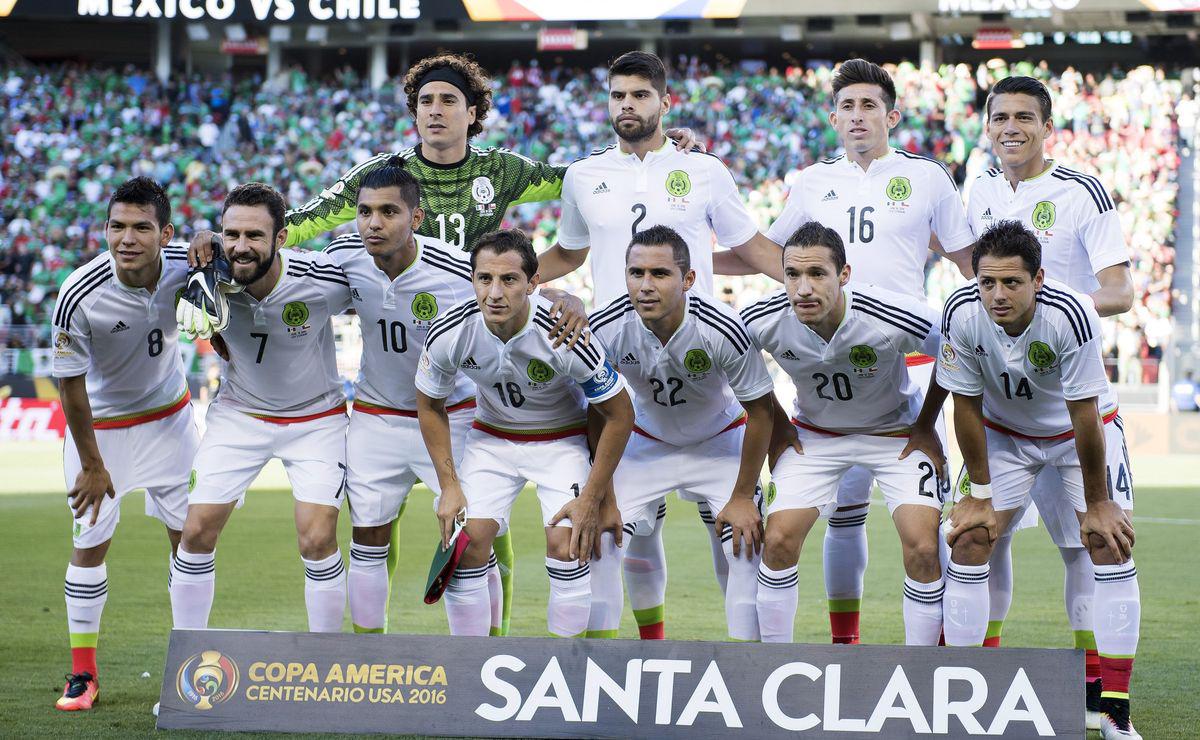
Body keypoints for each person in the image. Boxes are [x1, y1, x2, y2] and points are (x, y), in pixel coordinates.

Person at [535, 50, 784, 640]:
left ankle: (753, 667)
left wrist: (811, 285)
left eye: (640, 95)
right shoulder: (583, 175)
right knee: (618, 535)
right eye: (618, 95)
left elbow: (751, 246)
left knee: (739, 541)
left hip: (702, 366)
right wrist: (511, 281)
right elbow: (568, 253)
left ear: (665, 103)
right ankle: (646, 655)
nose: (628, 105)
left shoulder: (705, 170)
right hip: (617, 361)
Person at [763, 59, 975, 644]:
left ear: (892, 115)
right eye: (847, 107)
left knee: (926, 533)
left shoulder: (927, 177)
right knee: (844, 516)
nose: (858, 116)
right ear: (833, 117)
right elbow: (766, 254)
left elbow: (966, 259)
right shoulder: (812, 181)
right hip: (830, 363)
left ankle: (936, 655)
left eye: (869, 106)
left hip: (909, 365)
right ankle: (845, 644)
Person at [964, 74, 1136, 728]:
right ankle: (972, 683)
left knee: (1088, 546)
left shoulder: (1081, 190)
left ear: (1047, 127)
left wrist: (1052, 310)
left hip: (1069, 404)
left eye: (1024, 118)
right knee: (981, 541)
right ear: (987, 125)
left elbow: (1120, 291)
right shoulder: (977, 184)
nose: (1011, 128)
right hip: (1000, 410)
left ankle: (1098, 695)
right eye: (1000, 117)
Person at [938, 220, 1141, 740]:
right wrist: (980, 495)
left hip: (1078, 434)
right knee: (969, 538)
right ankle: (959, 697)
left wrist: (1099, 502)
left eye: (1012, 282)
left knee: (1108, 543)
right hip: (1004, 434)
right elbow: (965, 405)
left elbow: (1084, 413)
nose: (997, 295)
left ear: (1039, 279)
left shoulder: (1070, 314)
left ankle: (1114, 711)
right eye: (987, 282)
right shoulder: (960, 312)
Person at [415, 229, 634, 637]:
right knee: (465, 547)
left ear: (533, 283)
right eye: (485, 279)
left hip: (561, 441)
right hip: (490, 441)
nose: (495, 293)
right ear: (473, 279)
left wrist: (595, 498)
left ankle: (563, 663)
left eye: (509, 280)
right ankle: (471, 663)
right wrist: (449, 486)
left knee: (568, 546)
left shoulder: (564, 332)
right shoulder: (450, 329)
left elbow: (620, 414)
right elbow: (430, 405)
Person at [741, 221, 947, 645]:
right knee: (777, 541)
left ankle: (923, 670)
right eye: (792, 275)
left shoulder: (891, 312)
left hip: (895, 435)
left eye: (817, 274)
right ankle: (776, 665)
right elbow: (738, 366)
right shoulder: (760, 318)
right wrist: (778, 423)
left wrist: (927, 423)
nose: (803, 288)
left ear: (844, 275)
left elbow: (956, 349)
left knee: (924, 548)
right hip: (816, 437)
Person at [172, 183, 352, 633]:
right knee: (195, 532)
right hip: (240, 415)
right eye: (231, 234)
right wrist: (199, 241)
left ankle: (325, 662)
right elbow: (152, 260)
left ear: (281, 238)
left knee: (317, 538)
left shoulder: (322, 278)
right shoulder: (204, 275)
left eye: (254, 235)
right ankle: (185, 660)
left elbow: (381, 293)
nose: (241, 246)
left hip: (316, 420)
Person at [50, 177, 198, 711]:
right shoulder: (78, 292)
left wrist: (209, 241)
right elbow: (69, 384)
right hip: (102, 433)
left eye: (141, 227)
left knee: (190, 542)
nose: (126, 238)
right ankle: (83, 675)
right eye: (117, 226)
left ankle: (189, 668)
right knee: (89, 545)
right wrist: (92, 464)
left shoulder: (189, 264)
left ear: (166, 233)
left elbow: (231, 250)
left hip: (170, 423)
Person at [586, 225, 775, 641]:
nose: (645, 285)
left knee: (744, 547)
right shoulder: (605, 326)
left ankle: (747, 664)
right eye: (636, 273)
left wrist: (743, 496)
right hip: (645, 442)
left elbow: (762, 413)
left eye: (660, 274)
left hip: (720, 441)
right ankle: (605, 663)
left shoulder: (721, 326)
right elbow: (597, 413)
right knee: (600, 542)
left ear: (688, 279)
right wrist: (603, 497)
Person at [323, 160, 483, 634]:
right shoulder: (343, 258)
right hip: (377, 417)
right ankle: (369, 659)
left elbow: (518, 295)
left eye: (389, 212)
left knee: (470, 543)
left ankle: (478, 661)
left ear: (416, 218)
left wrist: (566, 300)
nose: (374, 223)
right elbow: (281, 272)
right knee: (367, 540)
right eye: (365, 211)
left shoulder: (456, 269)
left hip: (453, 417)